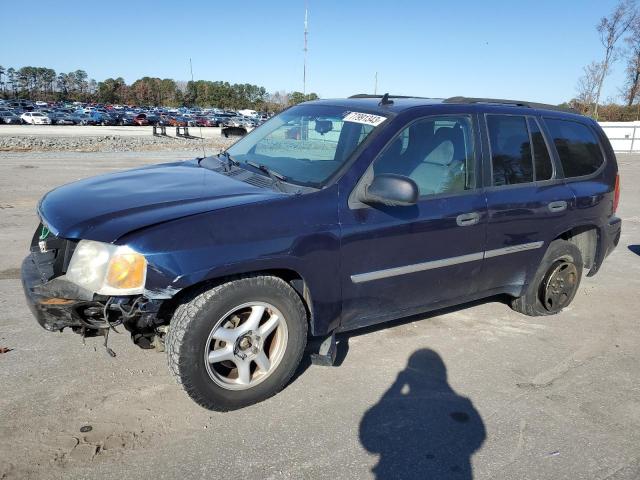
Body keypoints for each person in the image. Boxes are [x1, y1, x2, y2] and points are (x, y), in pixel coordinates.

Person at [360, 349, 485, 479]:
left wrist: (396, 387)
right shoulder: (462, 403)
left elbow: (369, 440)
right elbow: (478, 436)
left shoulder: (462, 403)